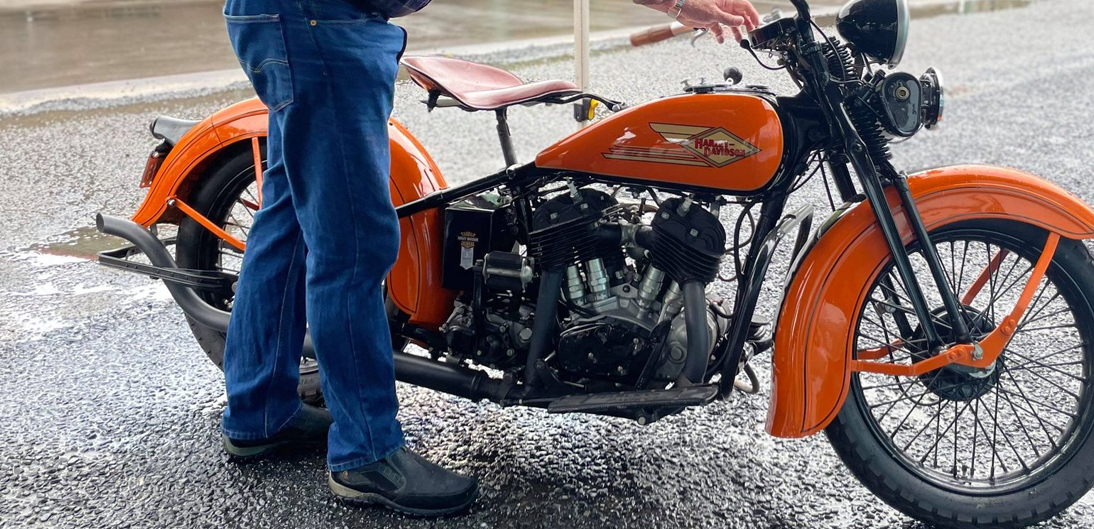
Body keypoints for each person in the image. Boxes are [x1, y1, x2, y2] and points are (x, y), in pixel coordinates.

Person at [217, 0, 761, 517]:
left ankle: (259, 411)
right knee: (354, 249)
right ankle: (365, 455)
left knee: (287, 222)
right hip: (320, 27)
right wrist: (681, 5)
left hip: (295, 21)